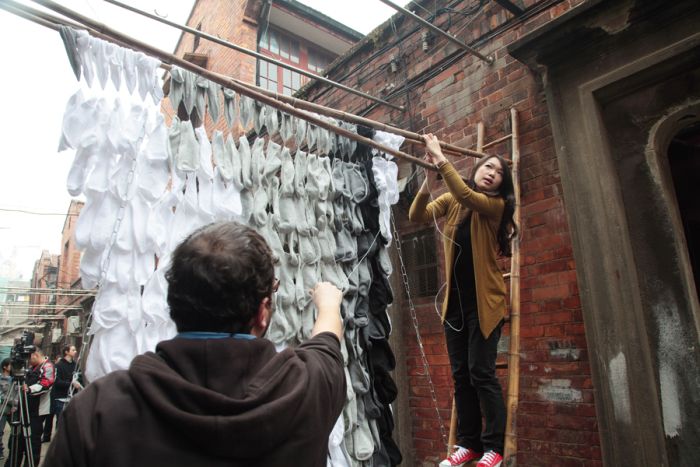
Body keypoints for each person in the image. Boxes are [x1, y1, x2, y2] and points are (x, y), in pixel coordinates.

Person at [45, 221, 346, 467]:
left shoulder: (98, 410)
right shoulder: (306, 389)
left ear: (173, 303)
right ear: (263, 312)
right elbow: (327, 337)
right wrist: (328, 302)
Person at [409, 134, 517, 467]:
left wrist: (441, 156)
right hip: (454, 307)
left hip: (486, 305)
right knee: (461, 376)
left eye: (498, 173)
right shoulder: (453, 201)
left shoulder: (493, 206)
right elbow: (417, 216)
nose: (491, 173)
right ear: (476, 168)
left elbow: (466, 194)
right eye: (487, 166)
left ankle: (494, 448)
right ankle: (468, 444)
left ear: (500, 185)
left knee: (481, 373)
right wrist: (427, 181)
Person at [6, 347, 55, 467]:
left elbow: (46, 384)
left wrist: (29, 389)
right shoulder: (31, 368)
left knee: (32, 445)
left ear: (36, 355)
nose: (28, 360)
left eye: (29, 357)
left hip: (36, 413)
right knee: (16, 441)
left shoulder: (47, 366)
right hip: (23, 410)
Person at [42, 345, 82, 443]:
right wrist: (71, 384)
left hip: (72, 397)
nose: (75, 351)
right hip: (60, 397)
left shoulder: (75, 365)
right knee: (59, 420)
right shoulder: (58, 365)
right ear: (66, 352)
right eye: (73, 350)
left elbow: (79, 378)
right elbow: (57, 382)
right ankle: (58, 441)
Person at [0, 359, 14, 460]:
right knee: (0, 431)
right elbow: (2, 395)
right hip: (3, 409)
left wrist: (16, 405)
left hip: (14, 409)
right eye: (10, 365)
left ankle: (13, 448)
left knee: (16, 430)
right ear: (5, 366)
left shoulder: (15, 379)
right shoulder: (1, 379)